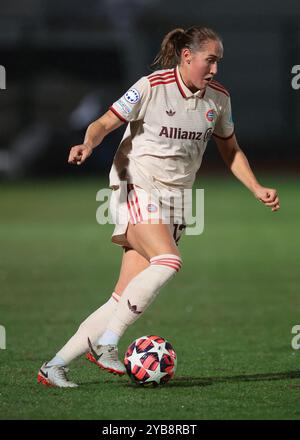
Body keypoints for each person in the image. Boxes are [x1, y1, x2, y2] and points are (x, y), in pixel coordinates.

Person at [37, 26, 280, 387]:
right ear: (187, 56)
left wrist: (255, 186)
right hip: (134, 184)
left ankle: (54, 366)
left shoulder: (218, 99)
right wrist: (88, 144)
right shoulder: (152, 86)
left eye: (218, 62)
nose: (214, 69)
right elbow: (103, 122)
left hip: (177, 200)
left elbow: (230, 149)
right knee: (168, 262)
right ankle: (107, 344)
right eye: (209, 60)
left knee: (123, 296)